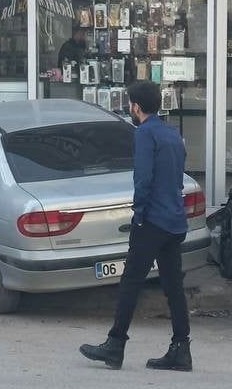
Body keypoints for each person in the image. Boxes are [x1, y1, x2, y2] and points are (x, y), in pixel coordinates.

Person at [80, 81, 192, 372]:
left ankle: (115, 345)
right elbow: (178, 176)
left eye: (131, 104)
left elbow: (142, 179)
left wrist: (139, 214)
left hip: (152, 219)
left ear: (136, 107)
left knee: (131, 282)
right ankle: (181, 347)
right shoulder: (172, 134)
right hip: (175, 221)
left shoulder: (144, 134)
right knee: (173, 286)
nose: (130, 108)